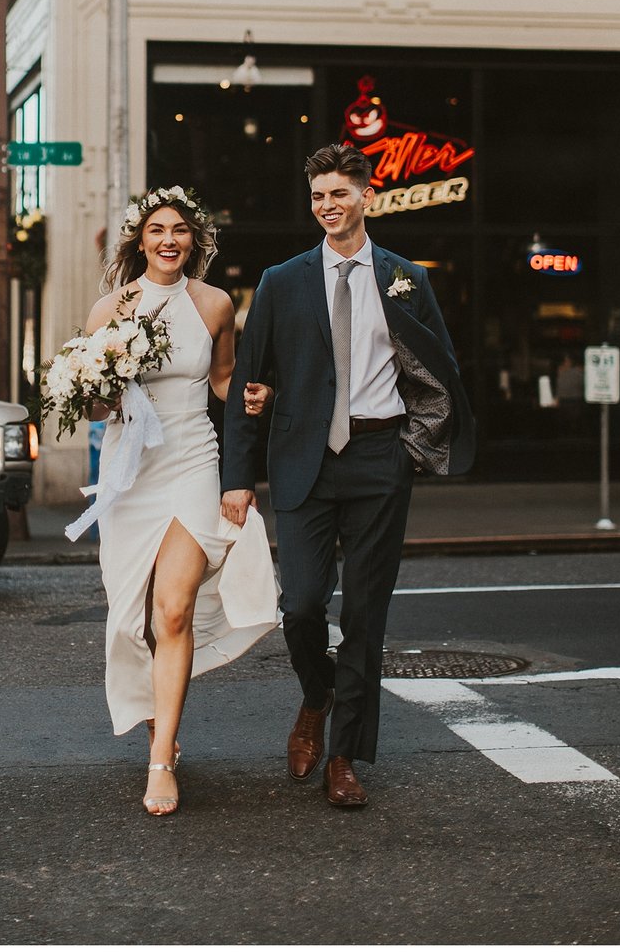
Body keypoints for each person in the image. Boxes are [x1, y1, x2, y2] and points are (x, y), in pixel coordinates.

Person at [222, 143, 474, 810]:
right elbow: (250, 379)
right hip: (304, 460)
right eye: (317, 196)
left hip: (378, 459)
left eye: (339, 193)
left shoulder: (406, 277)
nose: (327, 206)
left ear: (367, 193)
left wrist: (413, 449)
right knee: (301, 604)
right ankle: (316, 691)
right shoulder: (281, 280)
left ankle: (344, 756)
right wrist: (238, 475)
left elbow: (441, 369)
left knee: (366, 616)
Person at [81, 187, 278, 817]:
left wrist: (250, 398)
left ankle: (161, 757)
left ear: (195, 241)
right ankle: (160, 722)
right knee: (134, 618)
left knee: (172, 611)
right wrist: (100, 390)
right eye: (158, 230)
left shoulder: (216, 303)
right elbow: (94, 405)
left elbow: (222, 378)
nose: (169, 240)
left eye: (181, 231)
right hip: (132, 469)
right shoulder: (108, 309)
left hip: (193, 457)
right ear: (140, 240)